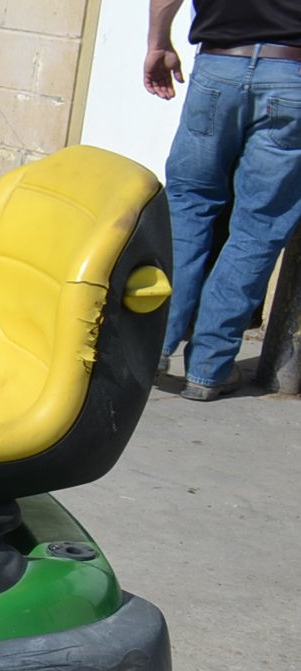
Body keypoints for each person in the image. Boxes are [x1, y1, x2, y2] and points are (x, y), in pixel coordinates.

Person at [146, 0, 301, 400]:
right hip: (293, 71)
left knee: (188, 207)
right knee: (259, 226)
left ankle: (152, 346)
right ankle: (209, 369)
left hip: (219, 66)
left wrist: (158, 41)